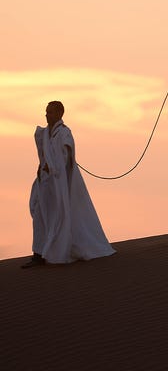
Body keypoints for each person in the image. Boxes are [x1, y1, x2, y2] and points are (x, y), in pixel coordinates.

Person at [22, 101, 115, 268]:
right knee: (39, 214)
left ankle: (55, 252)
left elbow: (65, 156)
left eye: (50, 112)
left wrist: (51, 166)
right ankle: (38, 253)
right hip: (45, 182)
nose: (46, 115)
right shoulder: (45, 134)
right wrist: (43, 167)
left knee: (60, 216)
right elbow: (44, 155)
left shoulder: (64, 133)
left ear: (59, 113)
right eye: (46, 112)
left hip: (59, 184)